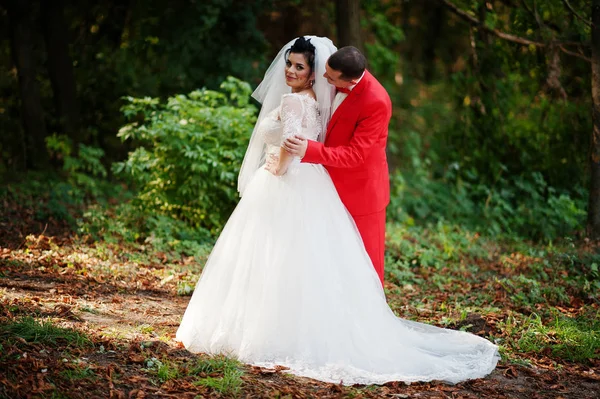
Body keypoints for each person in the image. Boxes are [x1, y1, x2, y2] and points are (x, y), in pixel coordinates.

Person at [176, 36, 499, 386]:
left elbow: (350, 153)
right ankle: (307, 325)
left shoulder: (375, 100)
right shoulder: (319, 93)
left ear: (344, 78)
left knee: (352, 269)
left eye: (309, 69)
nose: (319, 78)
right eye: (295, 65)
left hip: (354, 189)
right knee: (315, 263)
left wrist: (287, 162)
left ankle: (353, 331)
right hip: (320, 185)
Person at [283, 46, 391, 286]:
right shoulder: (333, 75)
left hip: (362, 192)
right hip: (326, 186)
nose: (324, 78)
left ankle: (368, 319)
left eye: (330, 77)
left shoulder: (377, 102)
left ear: (350, 79)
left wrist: (309, 149)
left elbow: (355, 154)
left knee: (364, 266)